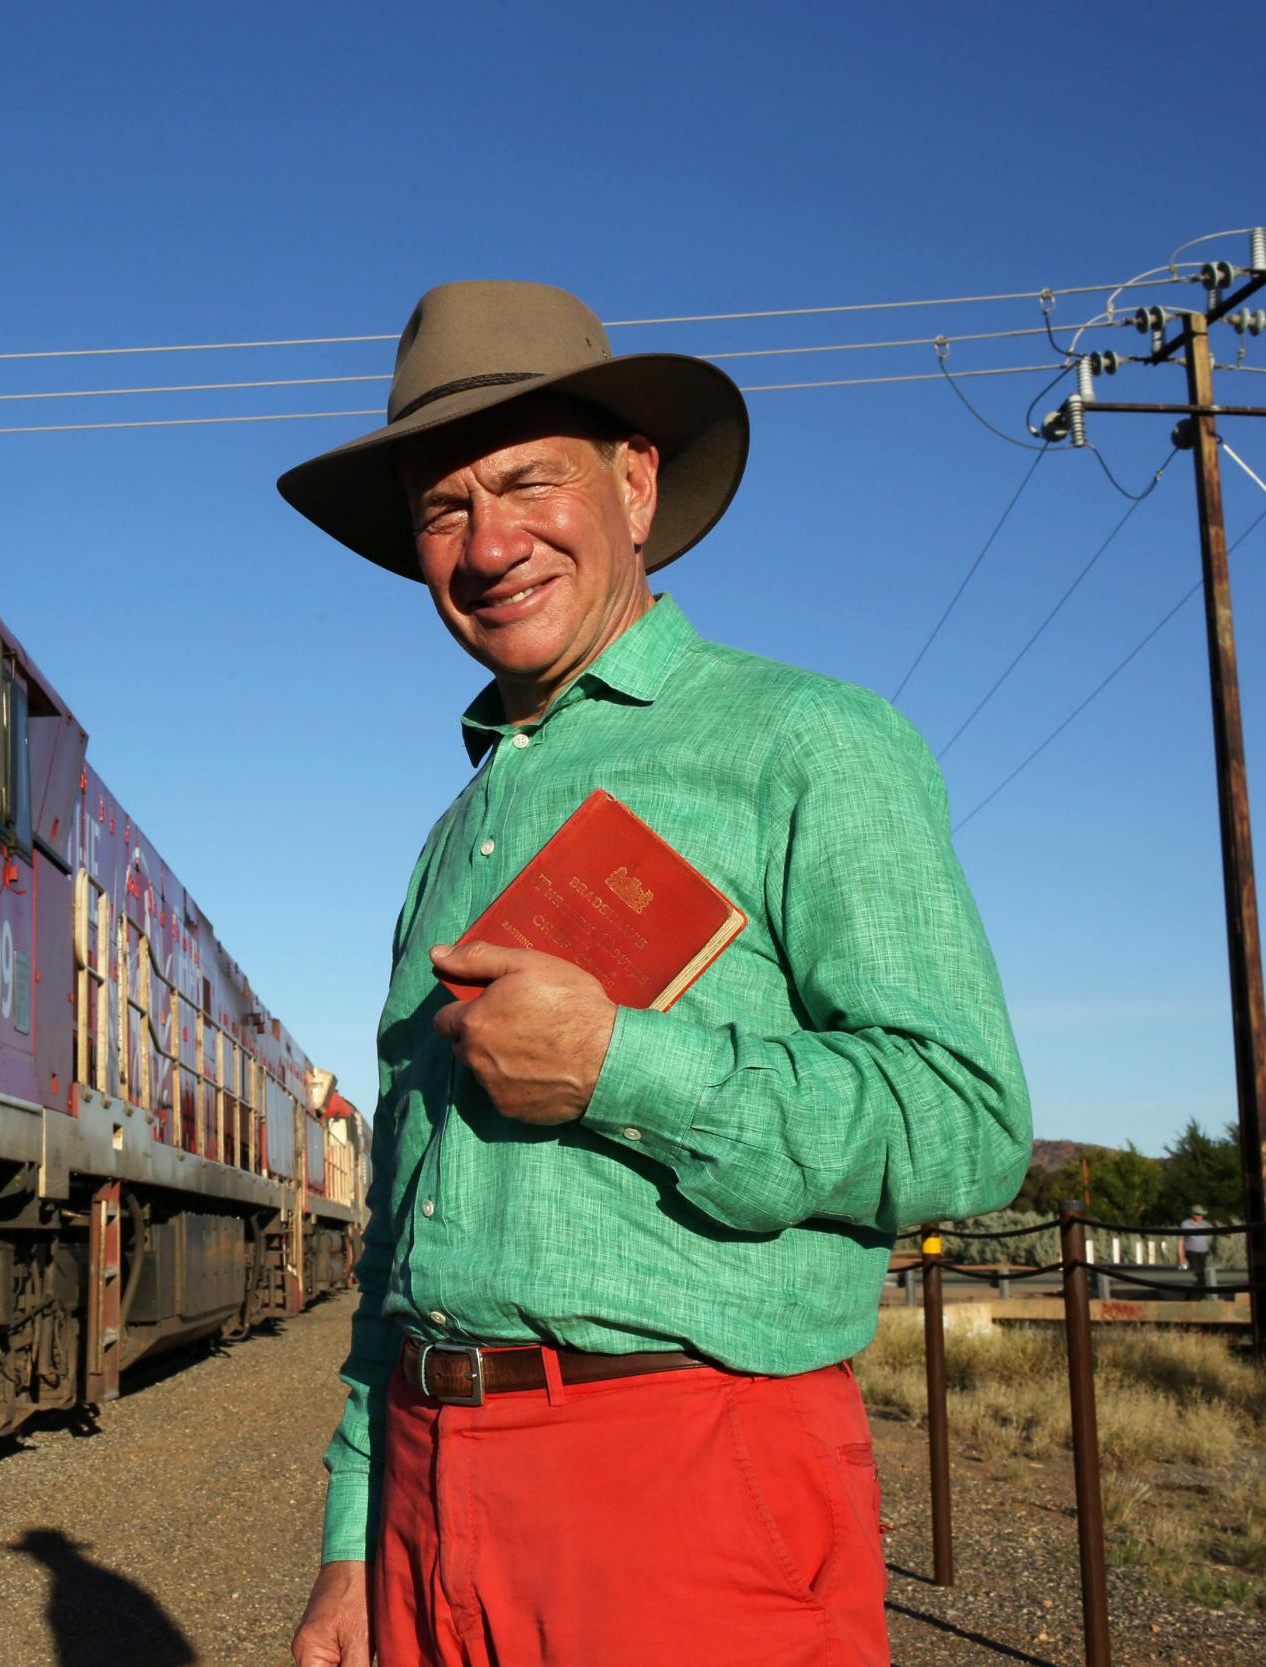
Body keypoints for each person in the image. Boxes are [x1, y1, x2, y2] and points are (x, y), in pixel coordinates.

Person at [274, 281, 1033, 1667]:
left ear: (634, 482)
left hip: (690, 1469)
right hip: (426, 1491)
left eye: (527, 482)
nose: (490, 542)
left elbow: (966, 1122)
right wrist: (349, 1534)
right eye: (444, 507)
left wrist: (628, 1066)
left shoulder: (809, 739)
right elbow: (402, 1230)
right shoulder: (453, 839)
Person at [1181, 1204, 1214, 1289]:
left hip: (1203, 1253)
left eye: (1202, 1215)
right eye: (1199, 1214)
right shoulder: (1185, 1224)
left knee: (1203, 1273)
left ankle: (1201, 1292)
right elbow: (1181, 1240)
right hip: (1192, 1253)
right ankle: (1196, 1293)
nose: (1201, 1217)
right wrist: (1181, 1257)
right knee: (1196, 1273)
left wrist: (1226, 1234)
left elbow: (1215, 1230)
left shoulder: (1205, 1224)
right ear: (1193, 1214)